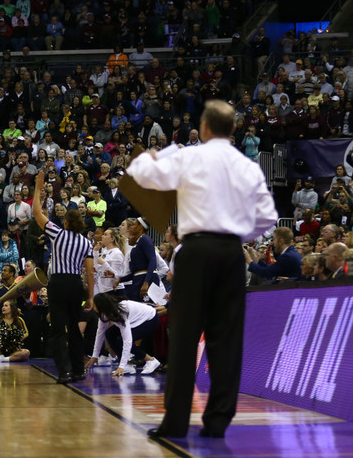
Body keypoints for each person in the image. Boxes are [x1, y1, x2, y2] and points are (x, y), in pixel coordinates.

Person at [127, 99, 277, 439]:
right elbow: (268, 217)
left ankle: (176, 422)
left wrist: (157, 155)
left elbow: (139, 175)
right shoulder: (248, 166)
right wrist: (236, 234)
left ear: (205, 128)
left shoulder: (189, 155)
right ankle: (218, 421)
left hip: (195, 250)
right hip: (230, 252)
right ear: (233, 129)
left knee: (184, 336)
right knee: (225, 337)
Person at [33, 173, 93, 384]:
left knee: (59, 329)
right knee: (75, 329)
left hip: (58, 282)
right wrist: (91, 297)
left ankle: (64, 371)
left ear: (66, 221)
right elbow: (90, 271)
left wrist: (38, 188)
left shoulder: (57, 233)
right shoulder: (87, 243)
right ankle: (78, 370)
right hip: (76, 284)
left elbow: (36, 213)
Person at [84, 292, 161, 376]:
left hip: (150, 319)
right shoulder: (104, 313)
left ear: (100, 306)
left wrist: (121, 366)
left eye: (94, 304)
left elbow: (127, 341)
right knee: (109, 333)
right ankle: (128, 365)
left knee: (122, 340)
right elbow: (100, 334)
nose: (93, 306)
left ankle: (151, 360)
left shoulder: (121, 311)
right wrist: (95, 356)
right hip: (136, 320)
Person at [0, 298, 30, 363]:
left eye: (6, 306)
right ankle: (10, 358)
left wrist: (16, 338)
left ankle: (5, 359)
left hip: (15, 348)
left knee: (26, 353)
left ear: (12, 308)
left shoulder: (18, 320)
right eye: (3, 306)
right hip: (1, 348)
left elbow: (26, 333)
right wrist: (2, 338)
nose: (3, 307)